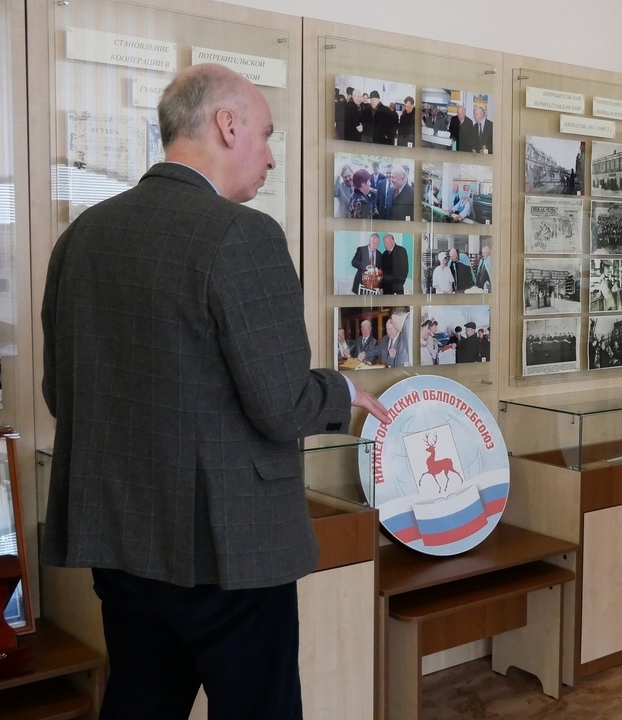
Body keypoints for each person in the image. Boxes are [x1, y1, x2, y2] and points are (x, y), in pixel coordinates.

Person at [40, 64, 391, 720]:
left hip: (121, 541)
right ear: (227, 126)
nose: (270, 157)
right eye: (266, 135)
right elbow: (281, 401)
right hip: (228, 548)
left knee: (141, 703)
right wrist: (342, 391)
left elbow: (64, 395)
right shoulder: (243, 236)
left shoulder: (80, 240)